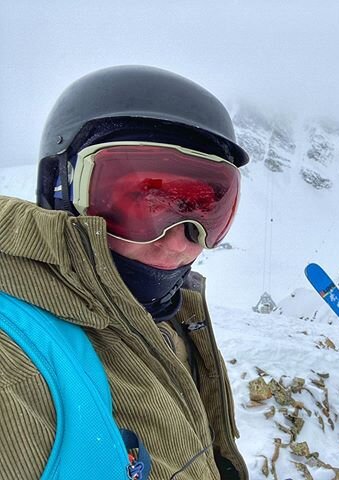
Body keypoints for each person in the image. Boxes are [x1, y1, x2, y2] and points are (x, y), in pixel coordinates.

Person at [0, 66, 250, 479]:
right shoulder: (14, 372)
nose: (180, 243)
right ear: (59, 189)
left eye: (205, 210)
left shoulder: (170, 323)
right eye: (144, 204)